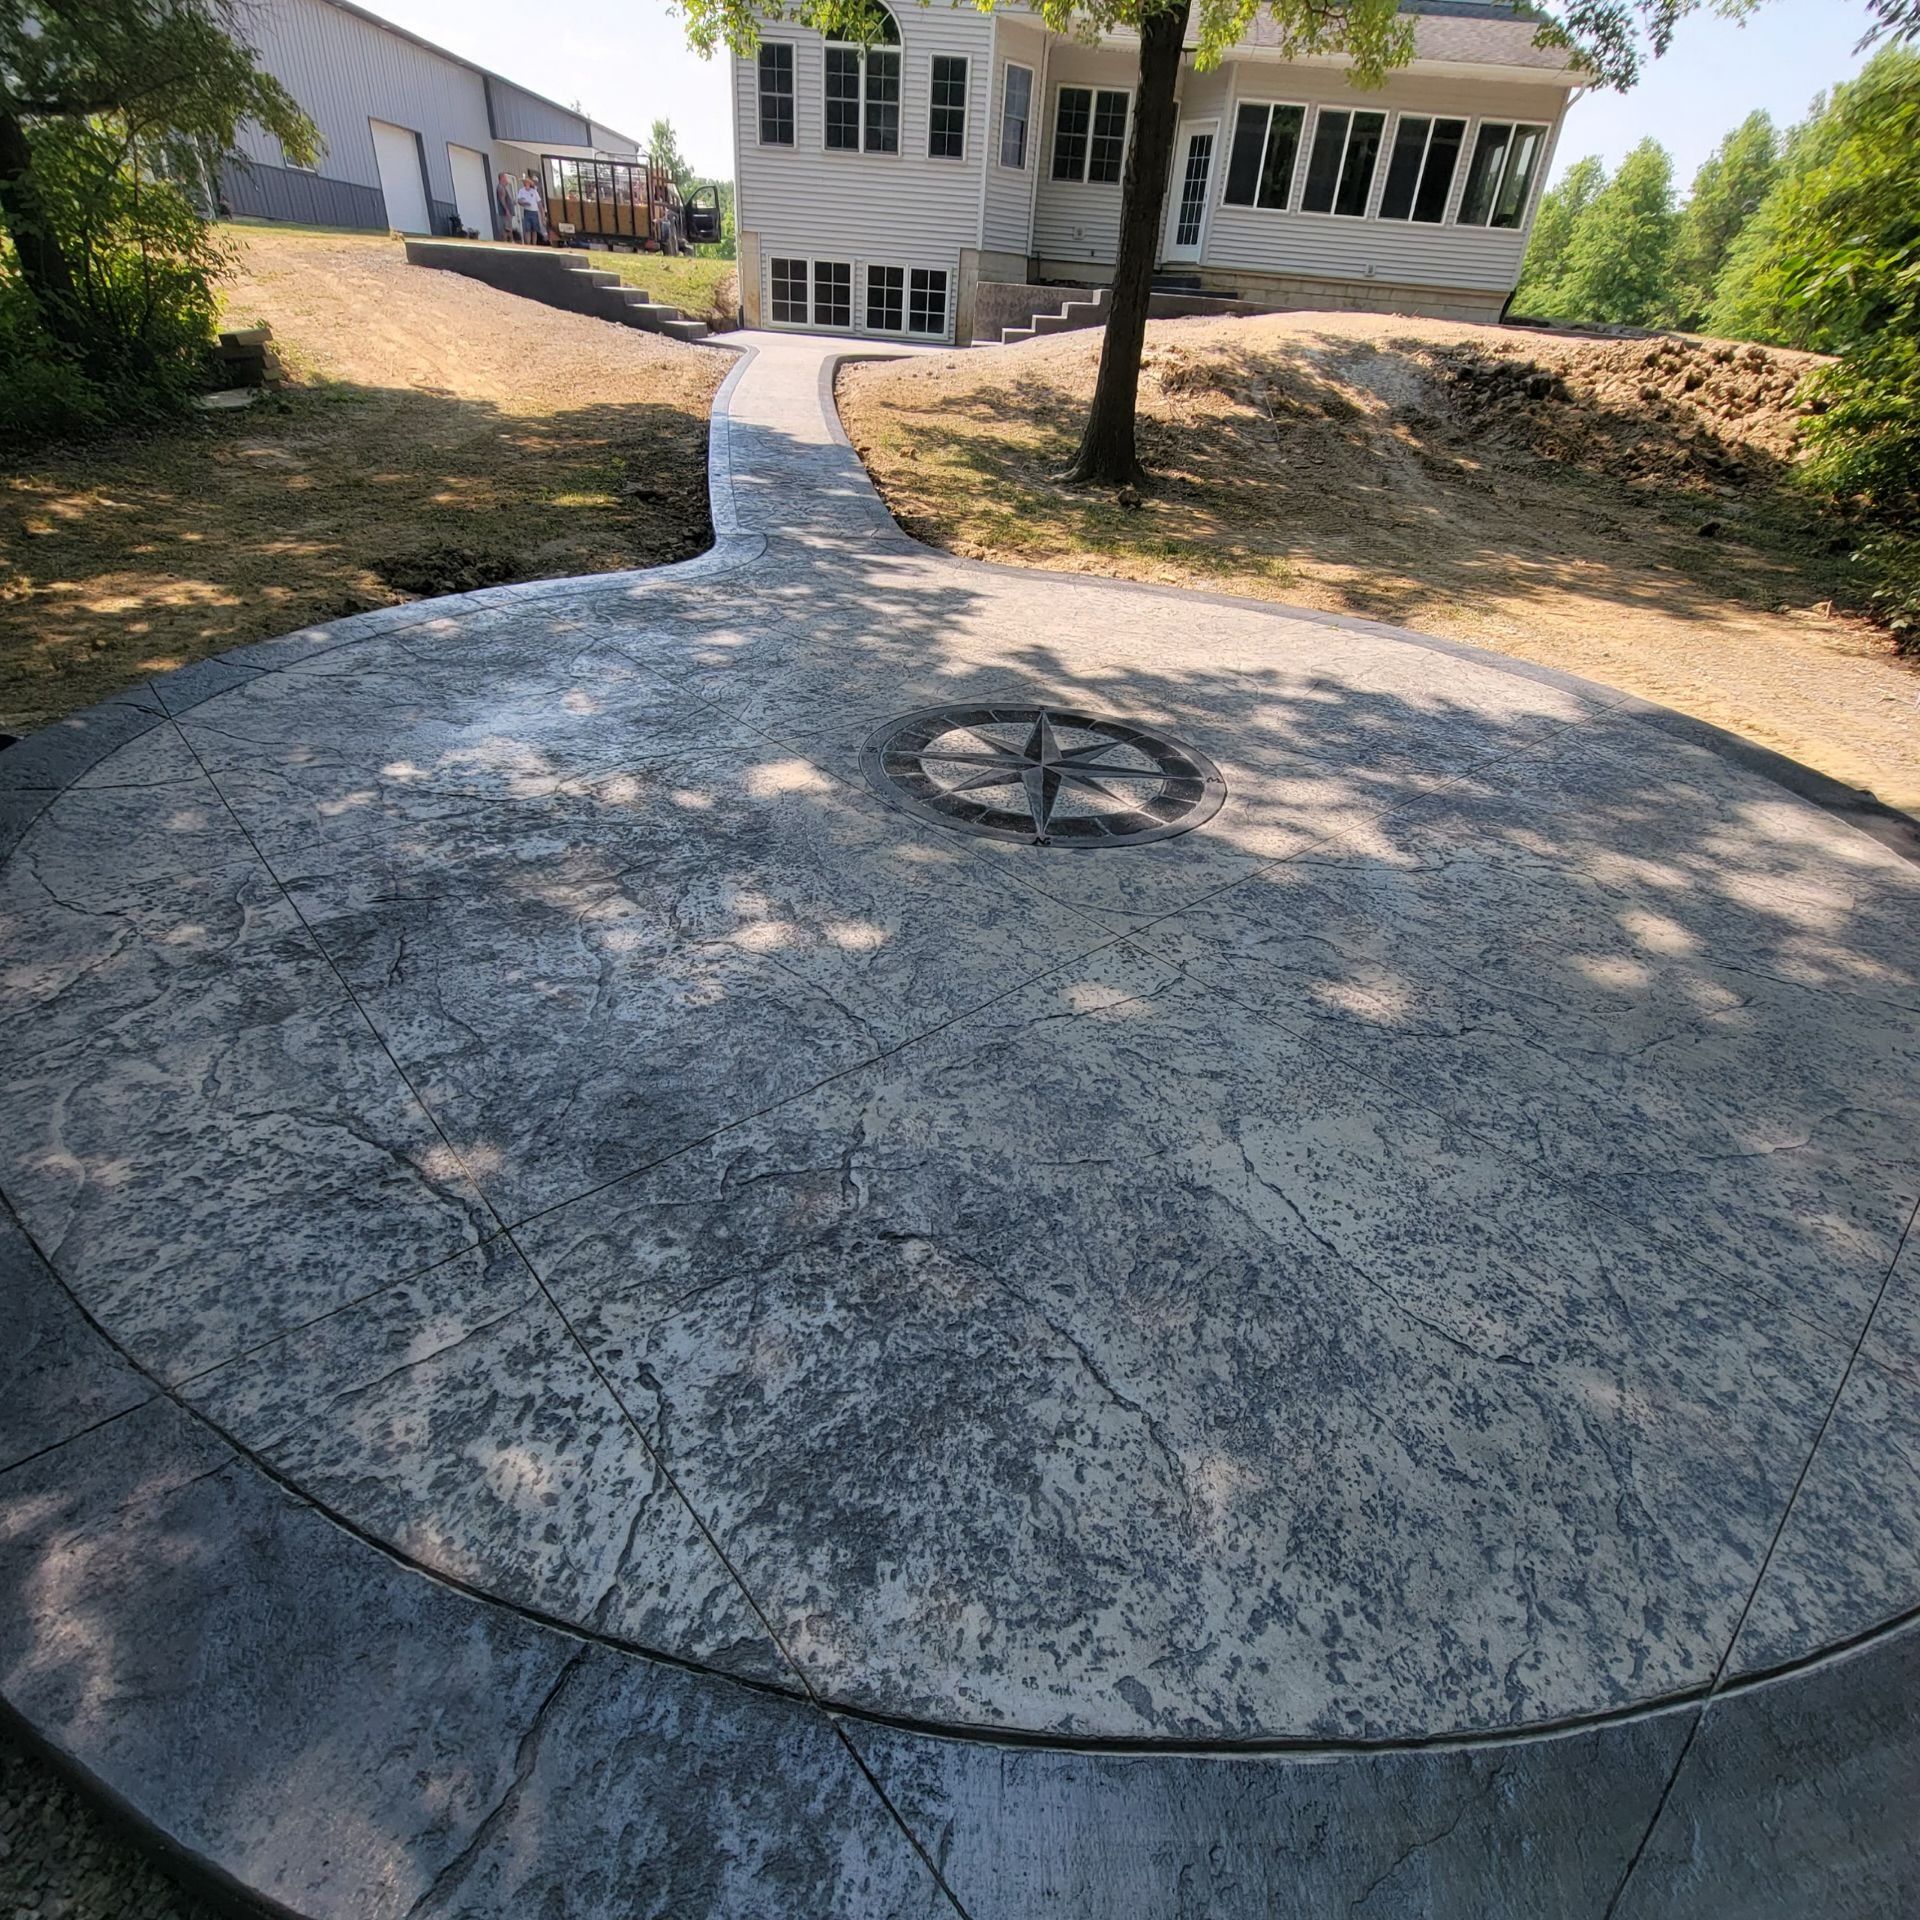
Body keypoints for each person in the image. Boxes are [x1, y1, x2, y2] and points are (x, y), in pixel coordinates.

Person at [516, 172, 546, 245]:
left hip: (534, 212)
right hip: (527, 211)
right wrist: (524, 203)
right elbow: (519, 201)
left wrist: (542, 215)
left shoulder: (534, 191)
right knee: (527, 229)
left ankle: (534, 244)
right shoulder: (521, 191)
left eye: (527, 182)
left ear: (529, 183)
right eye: (525, 182)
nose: (526, 183)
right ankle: (528, 244)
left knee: (534, 230)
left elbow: (539, 203)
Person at [495, 170, 517, 242]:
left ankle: (511, 241)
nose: (506, 179)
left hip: (507, 212)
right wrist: (507, 210)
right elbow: (502, 200)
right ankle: (508, 242)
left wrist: (512, 203)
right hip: (505, 213)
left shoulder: (503, 187)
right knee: (506, 229)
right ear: (502, 178)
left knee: (508, 228)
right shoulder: (500, 187)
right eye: (505, 177)